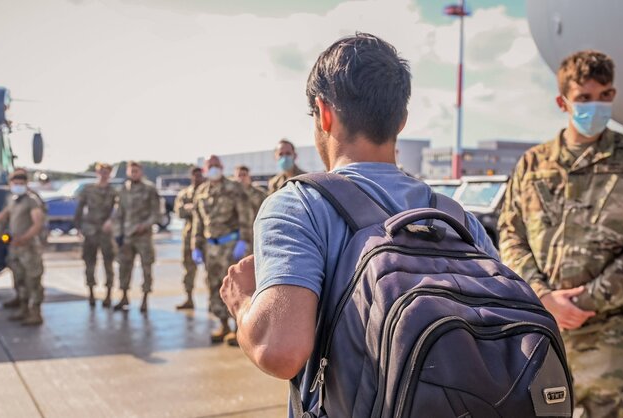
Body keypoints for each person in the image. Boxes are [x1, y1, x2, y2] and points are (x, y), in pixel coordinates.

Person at [218, 33, 497, 409]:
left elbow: (281, 352)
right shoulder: (456, 216)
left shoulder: (297, 206)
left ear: (323, 113)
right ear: (401, 121)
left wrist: (243, 302)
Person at [497, 50, 623, 417]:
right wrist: (544, 296)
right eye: (584, 98)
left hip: (611, 343)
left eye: (605, 95)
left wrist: (586, 302)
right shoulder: (532, 164)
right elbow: (510, 234)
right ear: (563, 102)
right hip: (540, 334)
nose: (597, 106)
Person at [192, 155, 253, 344]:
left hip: (231, 246)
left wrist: (244, 241)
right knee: (214, 287)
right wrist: (196, 245)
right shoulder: (201, 192)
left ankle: (238, 329)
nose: (214, 169)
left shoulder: (235, 189)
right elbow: (198, 222)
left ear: (222, 167)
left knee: (235, 288)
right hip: (211, 248)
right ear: (205, 169)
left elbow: (246, 217)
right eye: (211, 166)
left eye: (217, 165)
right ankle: (223, 324)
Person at [0, 169, 47, 326]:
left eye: (22, 184)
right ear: (10, 184)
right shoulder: (12, 199)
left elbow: (38, 223)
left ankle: (35, 312)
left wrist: (24, 238)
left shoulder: (32, 201)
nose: (18, 186)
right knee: (19, 278)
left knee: (33, 279)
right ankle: (24, 309)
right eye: (16, 183)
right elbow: (3, 216)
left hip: (29, 247)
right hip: (15, 247)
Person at [113, 161, 160, 312]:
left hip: (143, 236)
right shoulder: (123, 190)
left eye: (136, 171)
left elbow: (156, 213)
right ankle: (124, 296)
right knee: (124, 267)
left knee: (146, 267)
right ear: (128, 172)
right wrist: (118, 234)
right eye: (131, 171)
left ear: (141, 172)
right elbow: (119, 214)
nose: (134, 173)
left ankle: (145, 298)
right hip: (127, 236)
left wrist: (145, 225)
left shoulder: (149, 189)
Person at [73, 162, 118, 308]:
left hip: (105, 231)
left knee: (108, 263)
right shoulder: (88, 189)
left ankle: (108, 294)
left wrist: (111, 221)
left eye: (107, 172)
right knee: (89, 262)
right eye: (101, 172)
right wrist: (78, 227)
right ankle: (91, 292)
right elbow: (79, 209)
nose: (104, 175)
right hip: (90, 230)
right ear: (97, 173)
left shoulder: (113, 191)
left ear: (110, 174)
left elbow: (118, 210)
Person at [173, 166, 204, 310]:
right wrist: (191, 208)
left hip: (207, 236)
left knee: (213, 271)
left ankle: (214, 301)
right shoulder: (185, 193)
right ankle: (189, 298)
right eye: (195, 175)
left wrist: (192, 207)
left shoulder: (208, 191)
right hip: (189, 236)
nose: (197, 177)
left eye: (200, 175)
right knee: (188, 268)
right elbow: (178, 211)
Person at [234, 165, 267, 250]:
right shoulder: (231, 195)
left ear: (249, 176)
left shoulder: (260, 194)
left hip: (255, 236)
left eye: (244, 175)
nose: (241, 178)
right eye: (239, 175)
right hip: (235, 238)